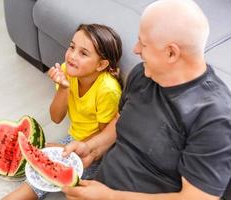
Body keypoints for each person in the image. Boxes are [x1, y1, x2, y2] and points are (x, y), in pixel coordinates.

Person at [61, 0, 231, 200]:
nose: (135, 49)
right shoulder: (143, 74)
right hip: (99, 187)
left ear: (171, 53)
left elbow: (196, 198)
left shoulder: (213, 117)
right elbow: (121, 120)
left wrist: (110, 197)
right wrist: (92, 147)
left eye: (143, 43)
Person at [3, 23, 123, 200]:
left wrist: (64, 148)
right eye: (72, 47)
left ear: (101, 64)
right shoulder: (67, 71)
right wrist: (63, 89)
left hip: (96, 151)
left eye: (83, 53)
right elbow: (56, 117)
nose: (72, 56)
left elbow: (104, 135)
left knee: (64, 186)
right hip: (74, 139)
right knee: (36, 180)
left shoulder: (108, 90)